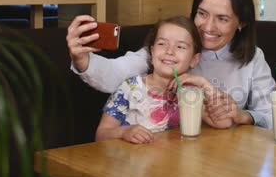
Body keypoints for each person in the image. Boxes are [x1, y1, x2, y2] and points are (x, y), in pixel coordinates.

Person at [68, 0, 275, 129]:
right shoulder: (170, 49)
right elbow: (115, 74)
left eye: (222, 19)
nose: (208, 27)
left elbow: (273, 115)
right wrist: (82, 58)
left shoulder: (253, 58)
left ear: (242, 23)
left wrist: (243, 116)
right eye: (202, 14)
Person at [95, 16, 229, 143]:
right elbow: (101, 135)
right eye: (162, 44)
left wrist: (205, 84)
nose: (169, 51)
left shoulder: (191, 94)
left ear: (194, 60)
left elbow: (223, 122)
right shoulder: (130, 88)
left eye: (180, 46)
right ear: (152, 52)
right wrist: (124, 132)